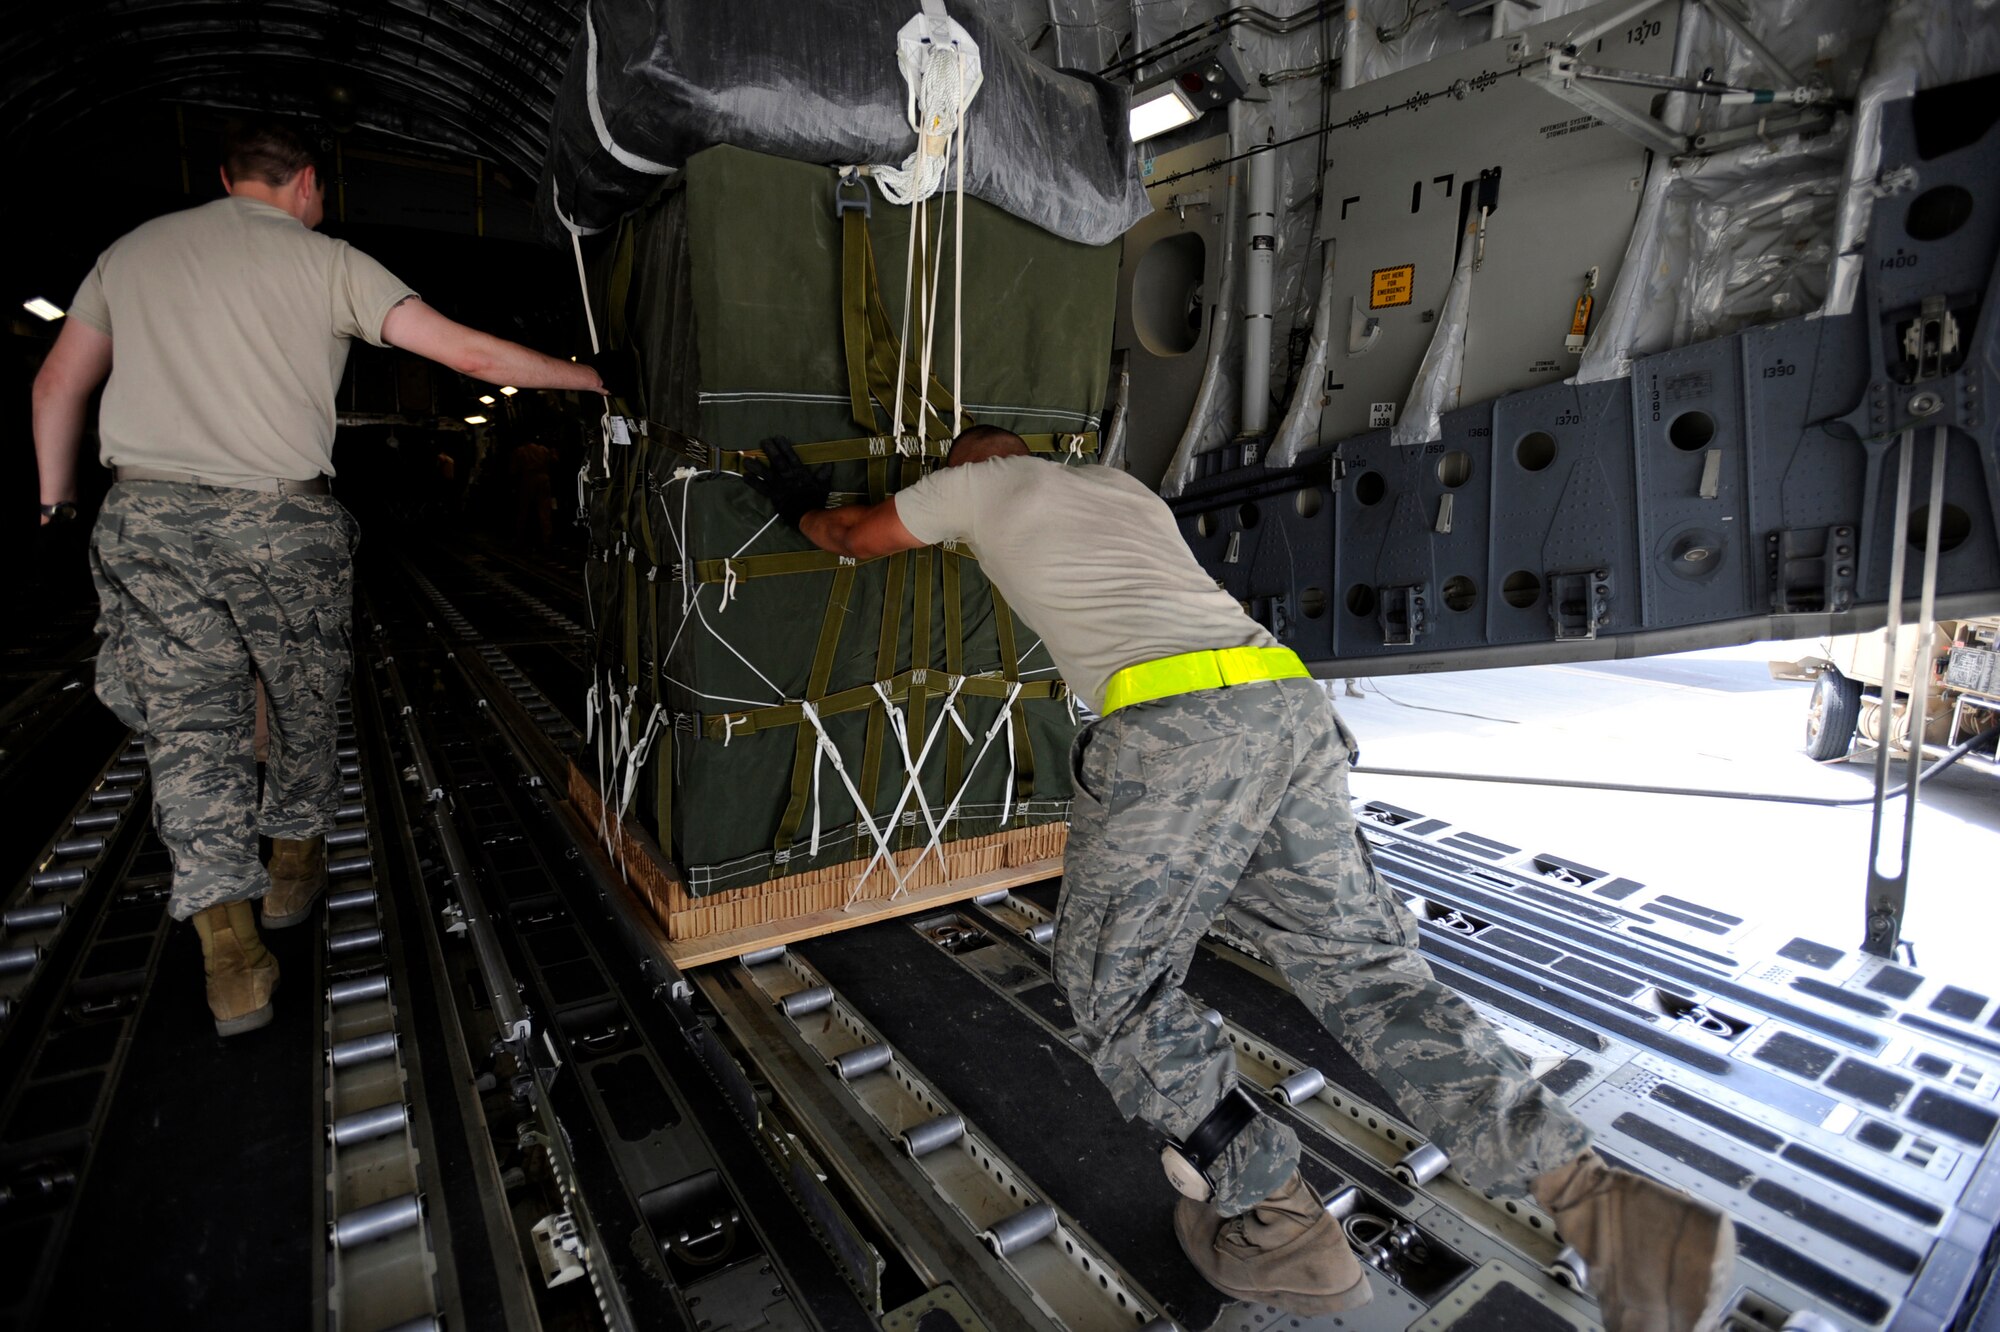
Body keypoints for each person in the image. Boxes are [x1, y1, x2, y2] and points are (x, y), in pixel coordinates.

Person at [748, 425, 1737, 1329]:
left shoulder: (982, 487)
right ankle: (1602, 1208)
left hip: (1174, 733)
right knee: (1367, 973)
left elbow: (853, 537)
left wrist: (798, 501)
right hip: (1284, 707)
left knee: (1117, 986)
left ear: (973, 461)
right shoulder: (1120, 489)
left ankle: (1276, 1223)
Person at [31, 118, 608, 1036]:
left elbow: (58, 384)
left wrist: (58, 504)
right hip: (279, 520)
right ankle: (292, 875)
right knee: (302, 704)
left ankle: (232, 964)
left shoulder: (130, 253)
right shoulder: (329, 260)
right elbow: (465, 353)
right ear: (307, 185)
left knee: (189, 732)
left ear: (225, 178)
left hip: (149, 520)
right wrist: (589, 380)